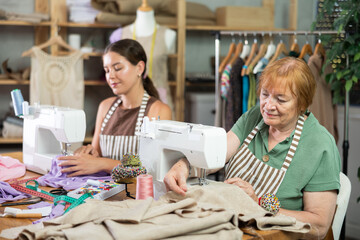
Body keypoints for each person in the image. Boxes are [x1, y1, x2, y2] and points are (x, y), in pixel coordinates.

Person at [164, 57, 340, 239]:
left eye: (280, 99)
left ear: (302, 104)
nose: (268, 106)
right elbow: (216, 154)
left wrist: (258, 203)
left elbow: (319, 225)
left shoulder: (320, 145)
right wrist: (183, 166)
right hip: (232, 225)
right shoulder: (255, 117)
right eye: (265, 94)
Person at [58, 39, 172, 176]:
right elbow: (96, 154)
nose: (111, 76)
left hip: (134, 191)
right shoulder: (105, 107)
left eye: (118, 68)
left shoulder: (158, 111)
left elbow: (150, 168)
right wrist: (88, 153)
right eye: (107, 70)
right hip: (104, 187)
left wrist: (102, 163)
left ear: (139, 68)